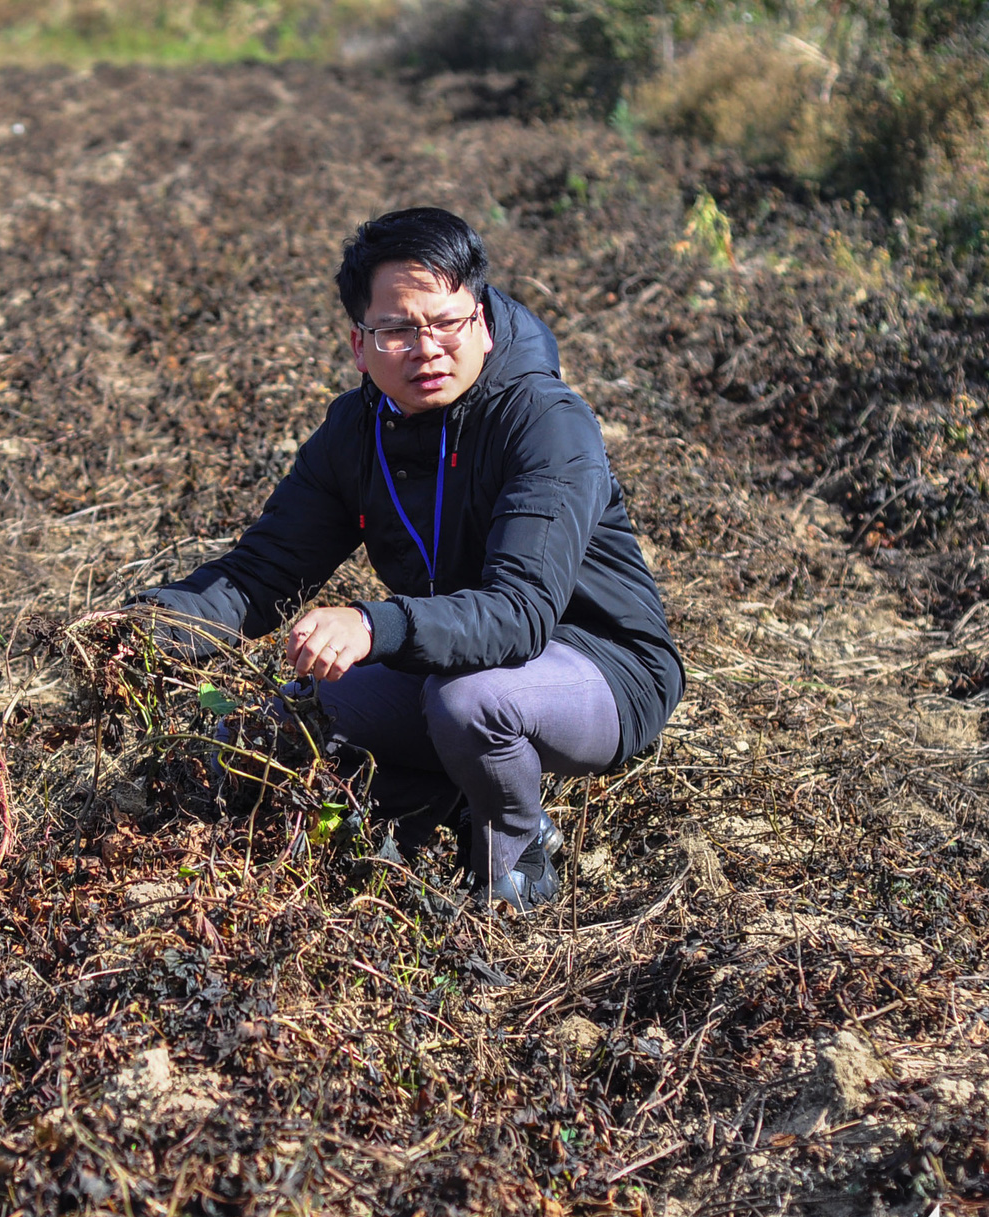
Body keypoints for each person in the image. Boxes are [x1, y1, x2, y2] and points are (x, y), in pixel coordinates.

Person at [137, 208, 682, 910]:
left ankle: (517, 856)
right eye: (397, 330)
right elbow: (254, 577)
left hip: (601, 668)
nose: (428, 349)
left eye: (447, 322)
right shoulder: (354, 433)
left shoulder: (544, 421)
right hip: (453, 660)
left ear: (481, 321)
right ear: (360, 345)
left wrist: (373, 624)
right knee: (294, 717)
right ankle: (444, 794)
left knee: (472, 702)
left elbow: (521, 614)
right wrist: (142, 628)